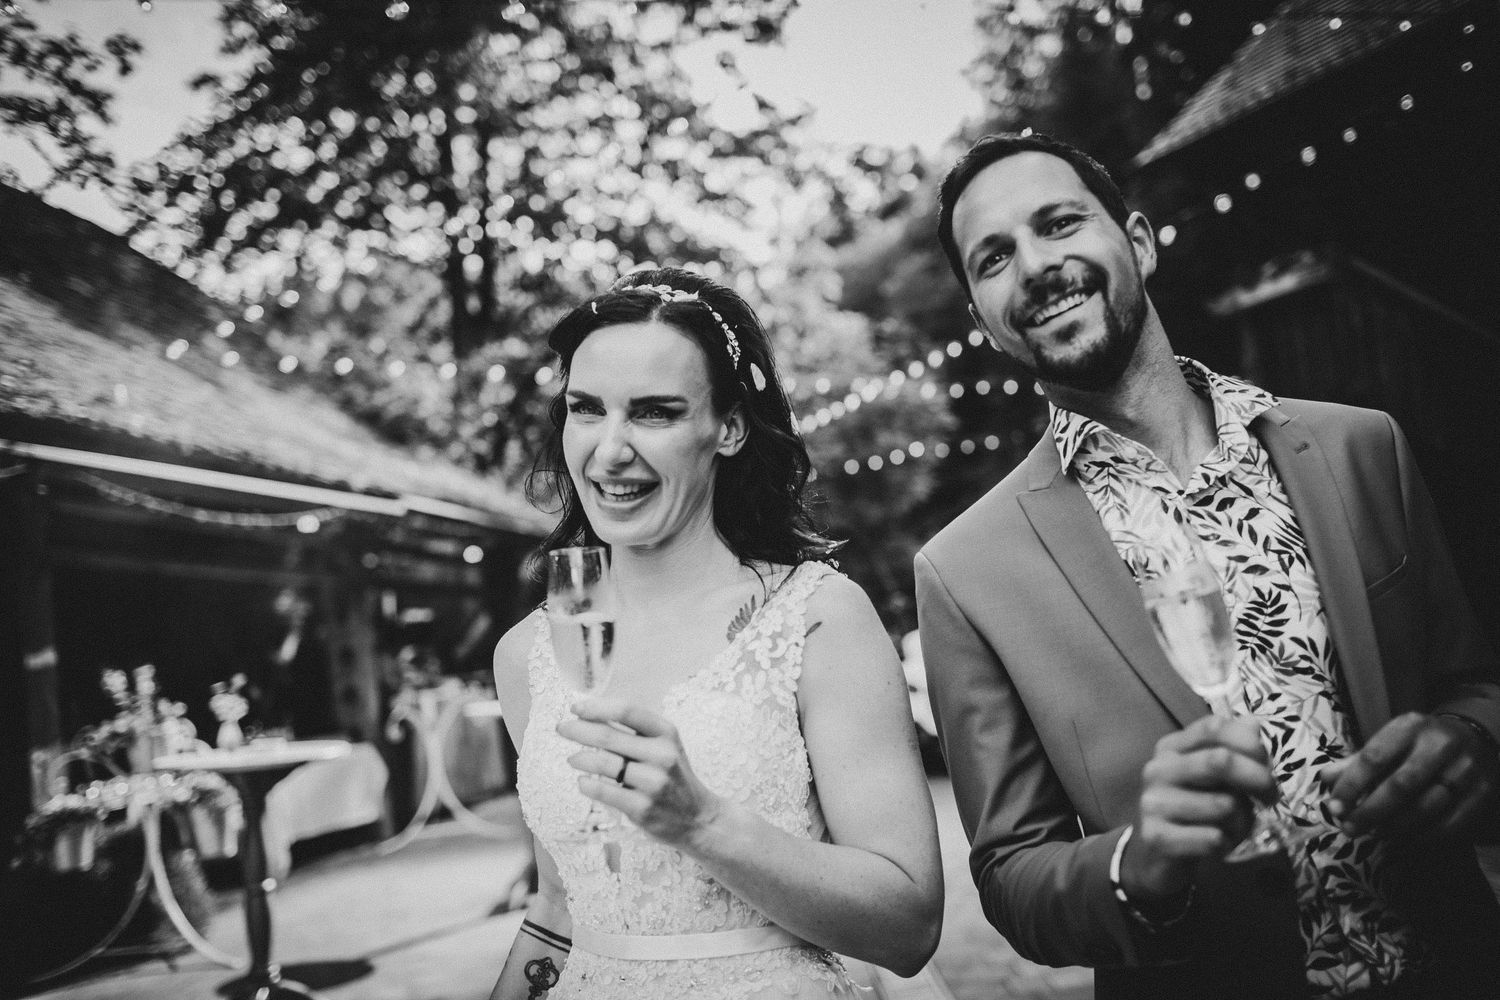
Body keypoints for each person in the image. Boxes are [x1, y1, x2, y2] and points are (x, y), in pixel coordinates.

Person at [916, 132, 1500, 999]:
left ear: (1140, 243)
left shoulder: (1363, 446)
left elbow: (1474, 683)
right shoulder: (962, 570)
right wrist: (1136, 861)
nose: (1035, 265)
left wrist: (1471, 743)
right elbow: (1010, 876)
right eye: (995, 256)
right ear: (984, 320)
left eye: (1060, 222)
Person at [490, 267, 943, 1000]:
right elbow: (555, 906)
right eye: (585, 409)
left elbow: (908, 924)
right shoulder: (528, 655)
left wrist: (703, 823)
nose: (608, 451)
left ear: (727, 427)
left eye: (655, 412)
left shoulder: (818, 619)